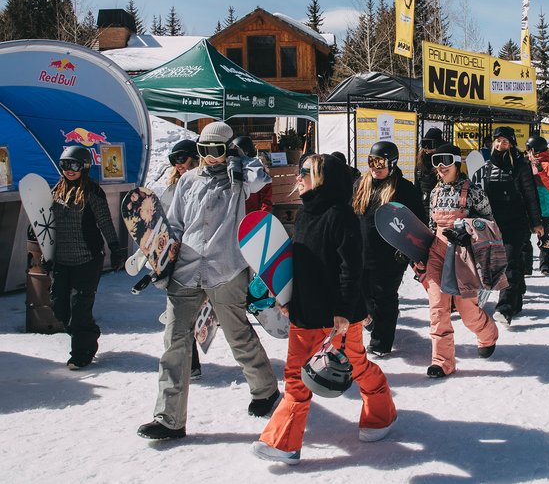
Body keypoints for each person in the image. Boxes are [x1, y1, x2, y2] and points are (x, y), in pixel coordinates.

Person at [138, 121, 279, 440]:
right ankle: (169, 418)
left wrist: (239, 161)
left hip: (225, 268)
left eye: (216, 150)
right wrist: (159, 257)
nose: (209, 157)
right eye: (203, 150)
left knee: (237, 334)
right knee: (175, 340)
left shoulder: (239, 178)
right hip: (186, 270)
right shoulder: (188, 180)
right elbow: (174, 223)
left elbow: (262, 179)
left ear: (226, 150)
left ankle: (265, 390)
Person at [255, 154, 397, 465]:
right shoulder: (305, 213)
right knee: (295, 376)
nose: (299, 177)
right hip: (305, 313)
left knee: (356, 367)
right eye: (298, 171)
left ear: (322, 178)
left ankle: (381, 413)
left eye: (305, 172)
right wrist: (285, 296)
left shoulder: (340, 215)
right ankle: (283, 443)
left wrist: (345, 311)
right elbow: (299, 265)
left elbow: (351, 267)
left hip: (338, 317)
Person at [423, 144, 499, 378]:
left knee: (467, 311)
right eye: (436, 161)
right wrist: (416, 251)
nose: (440, 167)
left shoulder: (474, 191)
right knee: (438, 308)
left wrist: (469, 231)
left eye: (445, 160)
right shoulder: (435, 191)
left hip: (463, 255)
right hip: (437, 253)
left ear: (457, 162)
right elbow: (430, 225)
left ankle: (488, 333)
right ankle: (442, 361)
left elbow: (491, 225)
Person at [50, 146, 125, 370]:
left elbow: (104, 221)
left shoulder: (92, 192)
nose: (69, 170)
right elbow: (46, 222)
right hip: (62, 259)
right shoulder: (57, 190)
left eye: (74, 165)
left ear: (84, 166)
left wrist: (115, 247)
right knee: (59, 308)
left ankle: (81, 353)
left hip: (87, 258)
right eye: (65, 165)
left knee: (79, 308)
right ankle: (89, 333)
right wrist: (43, 248)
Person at [352, 141, 427, 356]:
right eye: (371, 162)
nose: (375, 167)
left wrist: (409, 252)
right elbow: (351, 215)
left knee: (384, 297)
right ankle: (373, 322)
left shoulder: (404, 189)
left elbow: (418, 222)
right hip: (362, 252)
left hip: (390, 255)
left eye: (380, 163)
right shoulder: (360, 184)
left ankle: (381, 342)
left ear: (392, 163)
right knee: (363, 294)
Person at [472, 127, 542, 323]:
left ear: (511, 144)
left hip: (516, 223)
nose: (500, 144)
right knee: (509, 265)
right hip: (494, 224)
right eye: (497, 140)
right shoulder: (485, 167)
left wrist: (536, 222)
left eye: (504, 141)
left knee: (509, 264)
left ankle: (505, 307)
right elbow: (479, 198)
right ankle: (516, 300)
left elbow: (530, 195)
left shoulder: (520, 166)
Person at [160, 139, 203, 380]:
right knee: (179, 318)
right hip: (177, 261)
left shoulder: (202, 183)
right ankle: (190, 363)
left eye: (182, 159)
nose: (179, 166)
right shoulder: (172, 188)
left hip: (200, 259)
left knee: (198, 315)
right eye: (174, 161)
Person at [524, 135, 549, 275]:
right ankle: (526, 267)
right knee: (524, 238)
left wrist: (539, 169)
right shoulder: (527, 162)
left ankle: (545, 265)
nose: (527, 152)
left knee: (543, 238)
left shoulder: (546, 164)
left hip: (543, 208)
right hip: (528, 206)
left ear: (534, 149)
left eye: (528, 149)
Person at [232, 135, 273, 213]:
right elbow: (266, 201)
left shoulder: (258, 171)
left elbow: (266, 201)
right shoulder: (260, 169)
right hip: (250, 216)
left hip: (249, 216)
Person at [415, 127, 445, 217]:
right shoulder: (420, 162)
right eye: (424, 144)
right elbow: (417, 186)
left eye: (430, 145)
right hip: (424, 206)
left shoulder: (441, 162)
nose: (426, 149)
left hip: (439, 206)